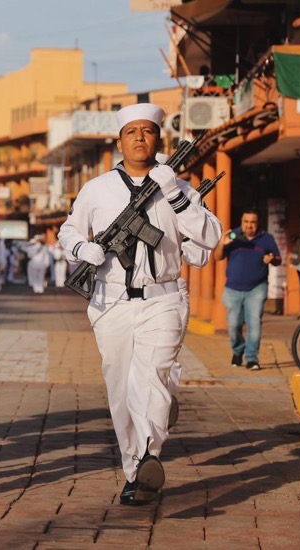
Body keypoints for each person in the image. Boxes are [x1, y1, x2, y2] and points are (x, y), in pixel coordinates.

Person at [58, 103, 221, 506]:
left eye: (147, 131)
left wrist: (175, 195)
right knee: (121, 390)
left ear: (158, 139)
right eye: (131, 131)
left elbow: (210, 237)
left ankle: (150, 456)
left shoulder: (179, 187)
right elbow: (68, 229)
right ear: (120, 142)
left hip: (163, 299)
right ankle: (134, 471)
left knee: (151, 377)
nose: (139, 138)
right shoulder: (97, 188)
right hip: (111, 302)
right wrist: (82, 248)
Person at [214, 208, 281, 371]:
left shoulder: (267, 238)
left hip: (257, 288)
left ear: (258, 223)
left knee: (254, 323)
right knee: (233, 324)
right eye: (246, 222)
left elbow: (278, 259)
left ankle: (252, 358)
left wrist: (272, 259)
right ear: (241, 221)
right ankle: (238, 350)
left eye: (253, 222)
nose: (249, 226)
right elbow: (217, 257)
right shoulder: (233, 236)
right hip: (233, 288)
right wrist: (221, 245)